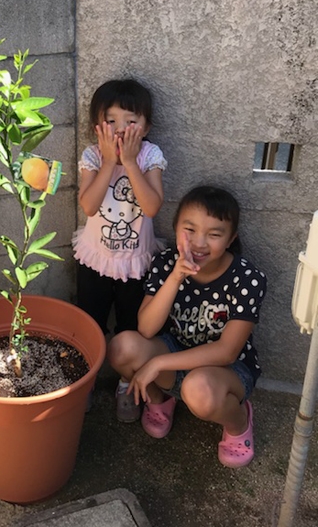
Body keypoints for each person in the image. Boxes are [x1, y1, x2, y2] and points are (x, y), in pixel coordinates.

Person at [107, 185, 267, 468]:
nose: (199, 243)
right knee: (122, 347)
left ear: (231, 239)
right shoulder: (166, 262)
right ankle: (159, 401)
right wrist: (175, 278)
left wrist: (158, 365)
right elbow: (145, 329)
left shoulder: (247, 278)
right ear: (176, 226)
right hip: (176, 349)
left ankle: (239, 423)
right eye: (189, 230)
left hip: (225, 371)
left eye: (214, 234)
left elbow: (227, 351)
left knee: (199, 389)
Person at [72, 79, 167, 419]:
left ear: (146, 127)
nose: (120, 129)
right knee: (90, 321)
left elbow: (152, 206)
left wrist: (129, 163)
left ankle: (127, 383)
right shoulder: (92, 155)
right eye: (110, 120)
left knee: (131, 325)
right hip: (96, 259)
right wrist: (110, 162)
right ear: (97, 125)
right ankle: (85, 380)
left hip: (136, 263)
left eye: (130, 121)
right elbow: (89, 206)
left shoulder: (150, 156)